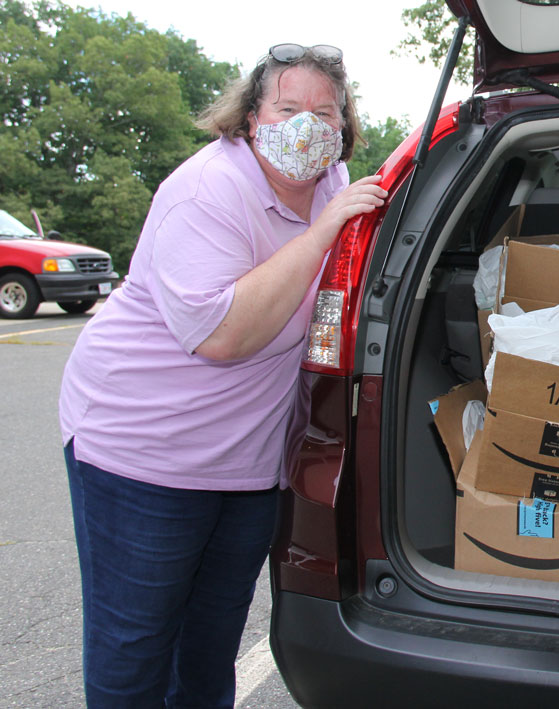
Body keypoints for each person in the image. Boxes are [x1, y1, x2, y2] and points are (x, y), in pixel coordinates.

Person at [58, 43, 387, 707]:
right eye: (288, 108)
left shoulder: (331, 179)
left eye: (325, 113)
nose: (308, 127)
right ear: (250, 118)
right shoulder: (207, 191)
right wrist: (322, 231)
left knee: (209, 651)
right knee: (135, 649)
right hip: (142, 453)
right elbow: (223, 335)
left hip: (244, 466)